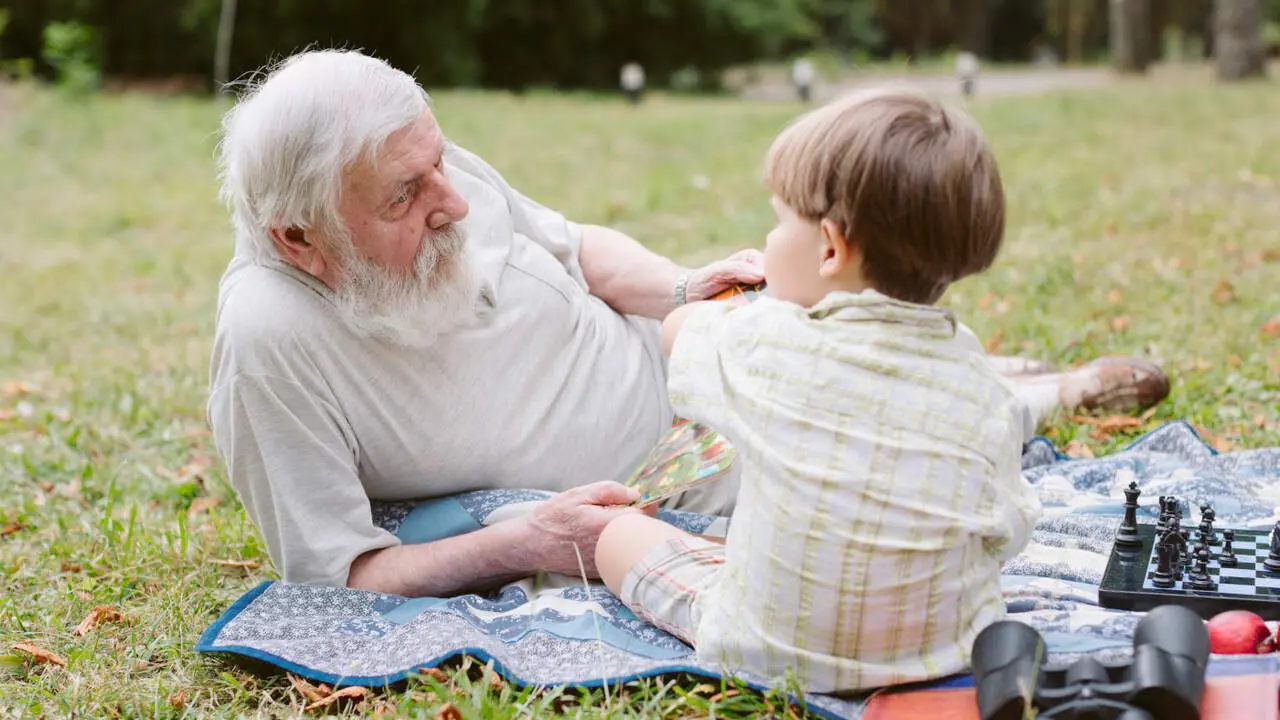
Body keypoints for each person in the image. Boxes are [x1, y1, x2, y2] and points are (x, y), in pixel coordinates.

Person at [207, 49, 1164, 601]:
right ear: (302, 239)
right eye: (408, 196)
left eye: (439, 161)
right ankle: (1043, 392)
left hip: (681, 354)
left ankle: (1001, 374)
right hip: (672, 480)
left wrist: (683, 288)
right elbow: (342, 576)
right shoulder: (271, 341)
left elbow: (576, 248)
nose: (452, 201)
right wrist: (526, 545)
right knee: (880, 425)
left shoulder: (419, 162)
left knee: (839, 338)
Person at [595, 87, 1043, 694]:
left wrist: (736, 303)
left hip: (763, 650)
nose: (771, 237)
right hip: (939, 652)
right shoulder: (980, 383)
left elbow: (678, 332)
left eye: (780, 221)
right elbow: (1008, 529)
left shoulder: (763, 344)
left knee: (618, 536)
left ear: (830, 246)